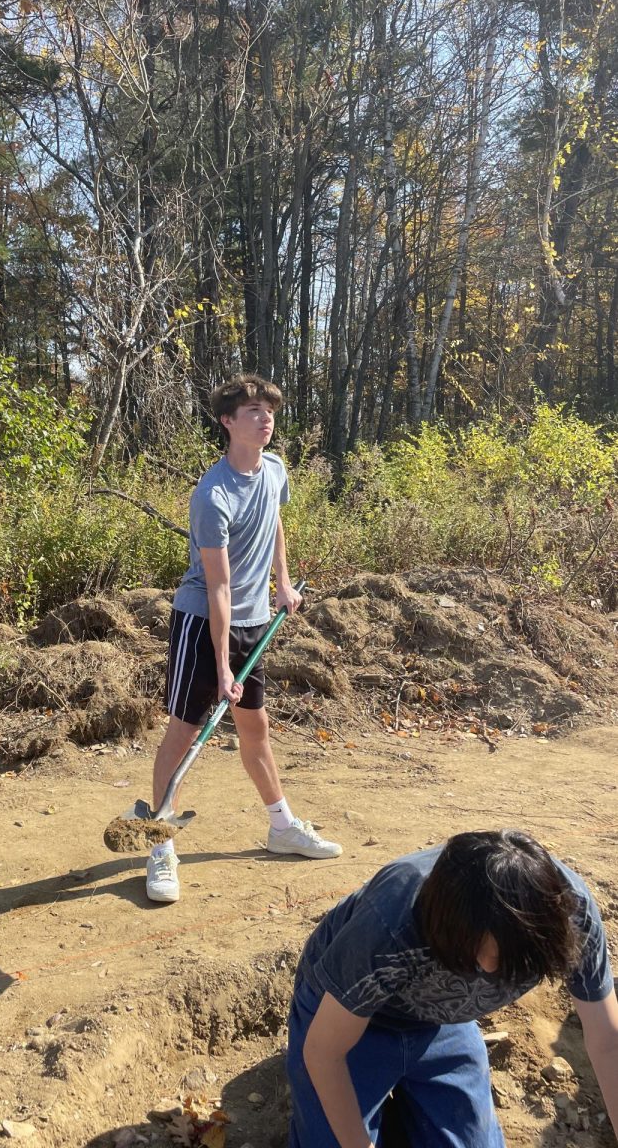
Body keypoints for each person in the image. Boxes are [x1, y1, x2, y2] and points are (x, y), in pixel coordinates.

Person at [287, 829, 618, 1147]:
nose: (488, 973)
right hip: (344, 1016)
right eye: (476, 957)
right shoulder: (391, 920)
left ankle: (402, 1111)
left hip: (439, 1022)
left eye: (511, 965)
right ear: (452, 927)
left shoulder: (569, 917)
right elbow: (324, 1053)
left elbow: (608, 1042)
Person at [145, 375, 342, 905]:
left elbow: (275, 519)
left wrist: (282, 581)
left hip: (255, 619)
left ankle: (281, 827)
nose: (266, 418)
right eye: (252, 411)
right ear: (228, 422)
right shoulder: (212, 495)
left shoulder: (274, 469)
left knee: (255, 728)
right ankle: (160, 843)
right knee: (183, 733)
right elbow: (219, 587)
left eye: (269, 409)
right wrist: (223, 666)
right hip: (204, 622)